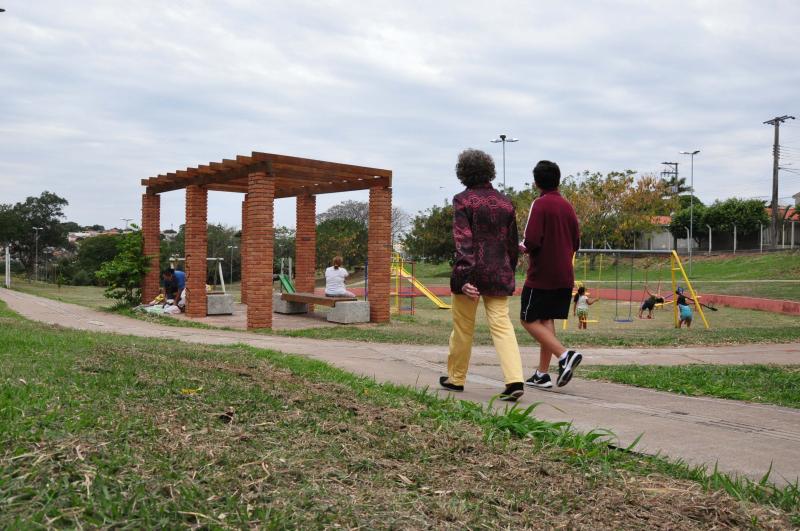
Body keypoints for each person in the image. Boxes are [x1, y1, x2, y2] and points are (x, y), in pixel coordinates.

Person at [439, 149, 526, 402]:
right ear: (489, 171)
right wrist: (508, 271)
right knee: (502, 325)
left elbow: (463, 242)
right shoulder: (505, 202)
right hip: (499, 272)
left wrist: (463, 278)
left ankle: (456, 378)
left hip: (472, 273)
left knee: (463, 328)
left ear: (463, 172)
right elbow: (511, 244)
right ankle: (514, 380)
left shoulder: (462, 201)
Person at [519, 160, 583, 390]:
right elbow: (576, 241)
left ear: (536, 182)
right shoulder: (567, 206)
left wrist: (521, 247)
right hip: (564, 274)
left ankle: (564, 355)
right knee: (546, 320)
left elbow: (532, 240)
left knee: (527, 319)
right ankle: (542, 374)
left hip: (541, 275)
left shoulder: (540, 204)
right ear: (558, 179)